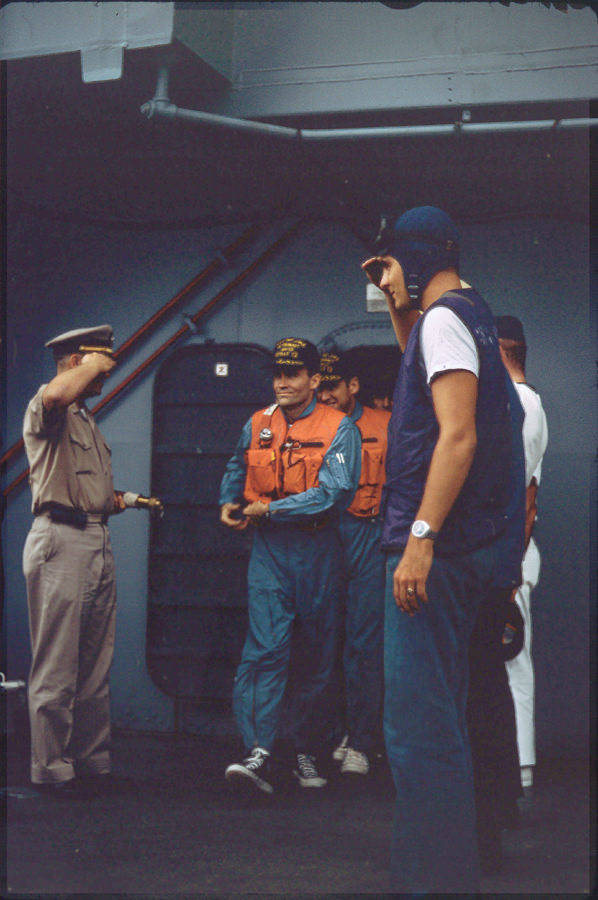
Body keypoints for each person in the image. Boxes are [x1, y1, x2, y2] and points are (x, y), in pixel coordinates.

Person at [361, 206, 524, 893]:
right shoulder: (467, 315)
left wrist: (421, 541)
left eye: (391, 265)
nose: (381, 279)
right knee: (443, 721)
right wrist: (402, 305)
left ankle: (430, 883)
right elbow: (427, 367)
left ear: (416, 258)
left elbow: (457, 437)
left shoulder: (445, 320)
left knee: (420, 732)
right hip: (478, 553)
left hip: (440, 553)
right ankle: (447, 873)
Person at [220, 337, 361, 795]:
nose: (282, 382)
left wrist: (272, 510)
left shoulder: (340, 428)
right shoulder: (258, 422)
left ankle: (304, 748)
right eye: (278, 374)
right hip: (269, 553)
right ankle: (258, 750)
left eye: (293, 374)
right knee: (264, 649)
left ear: (314, 379)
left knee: (317, 657)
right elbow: (235, 466)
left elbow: (334, 493)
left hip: (318, 551)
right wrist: (228, 499)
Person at [22, 325, 127, 798]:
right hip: (60, 542)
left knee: (93, 666)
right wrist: (91, 365)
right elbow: (55, 396)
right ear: (75, 362)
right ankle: (52, 770)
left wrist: (110, 499)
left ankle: (90, 762)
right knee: (57, 665)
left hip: (94, 538)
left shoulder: (84, 417)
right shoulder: (51, 406)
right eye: (99, 359)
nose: (109, 366)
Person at [317, 351, 389, 776]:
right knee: (325, 640)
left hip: (367, 535)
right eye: (320, 387)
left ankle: (363, 740)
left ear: (353, 386)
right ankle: (334, 735)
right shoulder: (309, 427)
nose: (325, 395)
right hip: (322, 537)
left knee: (364, 643)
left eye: (333, 386)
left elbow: (403, 487)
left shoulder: (383, 426)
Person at [496, 315, 548, 793]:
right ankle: (507, 767)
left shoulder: (524, 404)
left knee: (513, 660)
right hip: (501, 557)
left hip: (511, 558)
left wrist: (509, 568)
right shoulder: (509, 404)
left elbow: (524, 496)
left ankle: (521, 766)